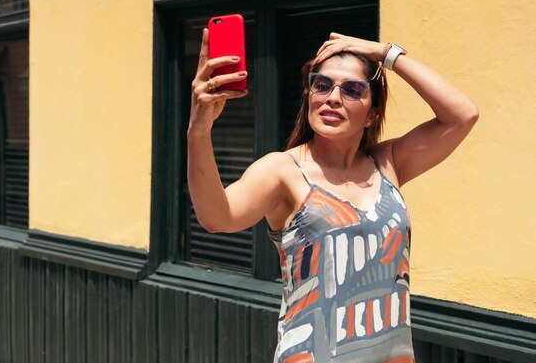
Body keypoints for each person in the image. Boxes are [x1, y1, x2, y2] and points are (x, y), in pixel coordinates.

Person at [187, 29, 479, 363]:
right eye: (322, 84)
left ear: (371, 114)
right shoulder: (284, 171)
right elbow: (215, 217)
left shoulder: (388, 164)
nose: (333, 97)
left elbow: (462, 114)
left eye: (352, 89)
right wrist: (199, 130)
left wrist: (384, 52)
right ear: (309, 95)